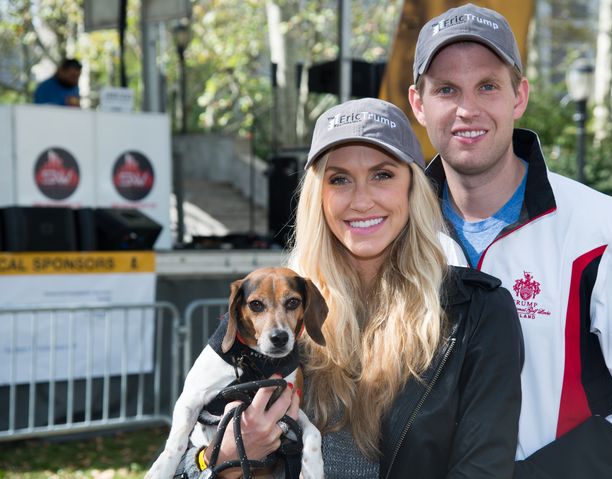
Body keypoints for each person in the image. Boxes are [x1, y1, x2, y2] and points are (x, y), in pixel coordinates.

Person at [407, 4, 612, 478]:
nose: (467, 109)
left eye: (487, 86)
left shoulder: (599, 228)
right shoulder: (394, 231)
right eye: (446, 90)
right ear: (419, 104)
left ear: (519, 96)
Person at [173, 98, 524, 478]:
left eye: (382, 174)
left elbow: (483, 469)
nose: (361, 200)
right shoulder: (269, 312)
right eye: (339, 179)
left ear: (412, 188)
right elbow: (181, 468)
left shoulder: (476, 311)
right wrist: (225, 456)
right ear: (317, 198)